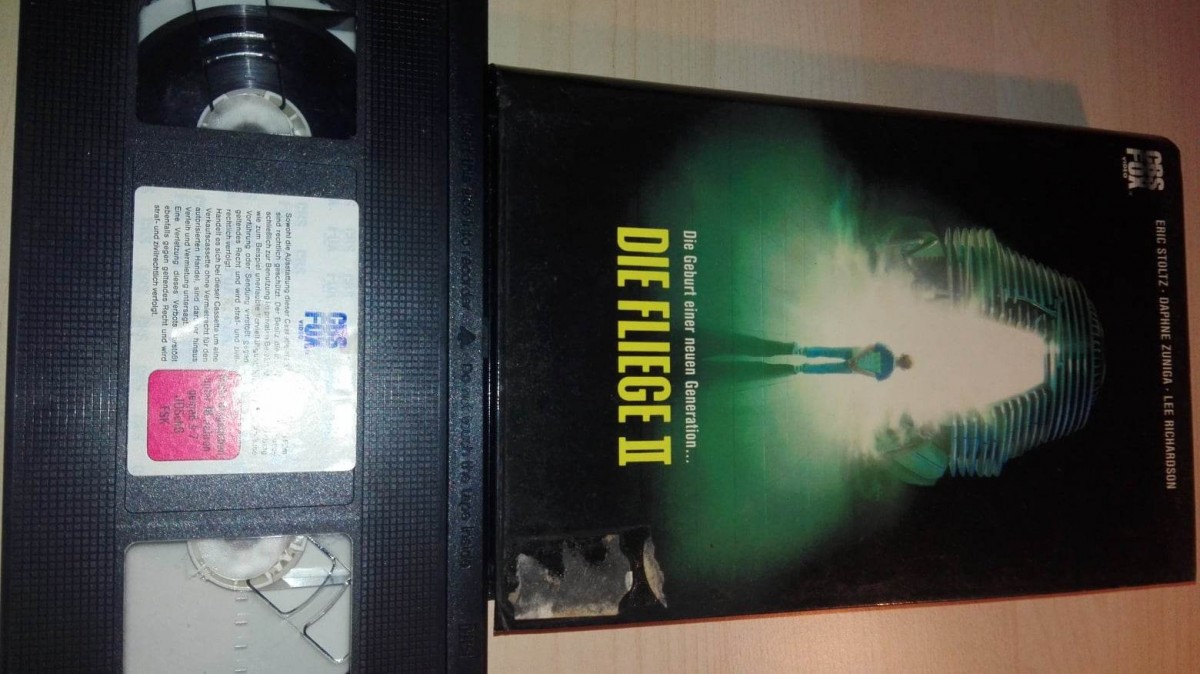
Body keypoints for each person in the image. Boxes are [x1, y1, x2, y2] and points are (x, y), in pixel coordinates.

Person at [792, 342, 912, 381]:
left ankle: (802, 351)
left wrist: (857, 358)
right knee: (827, 369)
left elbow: (871, 347)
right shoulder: (887, 374)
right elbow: (869, 374)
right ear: (903, 368)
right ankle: (801, 369)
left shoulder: (888, 351)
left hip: (854, 353)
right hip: (853, 368)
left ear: (902, 355)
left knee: (828, 352)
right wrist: (857, 367)